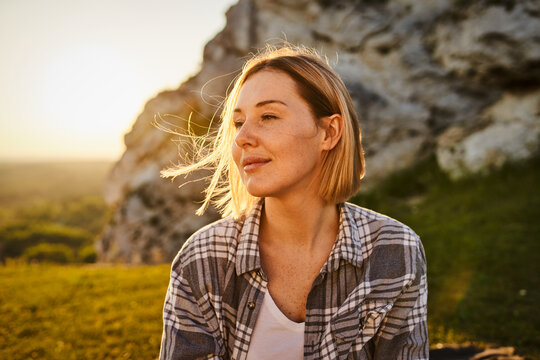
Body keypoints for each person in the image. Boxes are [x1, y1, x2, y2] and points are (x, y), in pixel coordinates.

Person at [159, 45, 428, 360]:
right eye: (238, 122)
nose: (242, 138)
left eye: (268, 116)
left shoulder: (395, 250)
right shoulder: (202, 259)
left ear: (329, 132)